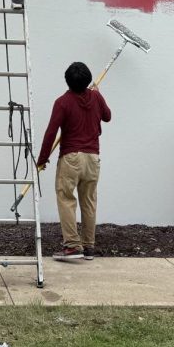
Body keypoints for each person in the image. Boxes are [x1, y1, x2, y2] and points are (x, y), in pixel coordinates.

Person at [36, 61, 111, 261]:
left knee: (66, 199)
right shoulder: (95, 97)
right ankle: (88, 247)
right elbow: (108, 116)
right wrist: (98, 93)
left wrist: (42, 160)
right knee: (89, 202)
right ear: (88, 80)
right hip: (93, 158)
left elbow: (51, 132)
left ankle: (72, 246)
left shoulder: (62, 102)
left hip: (71, 158)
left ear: (67, 82)